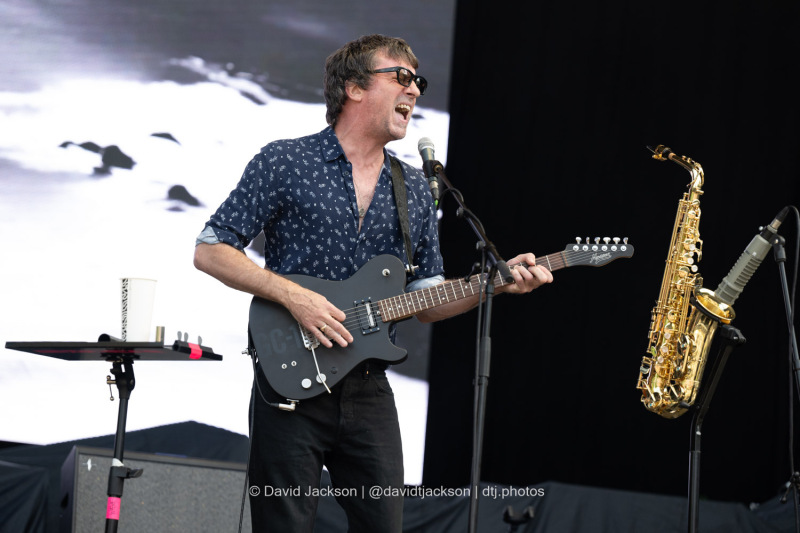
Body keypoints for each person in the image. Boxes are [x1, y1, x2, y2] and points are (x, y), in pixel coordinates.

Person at [193, 34, 553, 533]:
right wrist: (294, 297)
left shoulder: (414, 191)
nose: (415, 91)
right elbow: (211, 249)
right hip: (289, 383)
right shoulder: (285, 161)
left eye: (419, 82)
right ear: (353, 88)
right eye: (401, 77)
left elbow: (426, 302)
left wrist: (493, 285)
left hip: (368, 390)